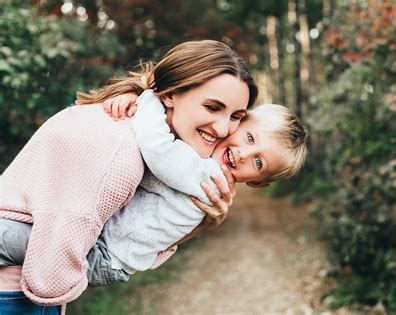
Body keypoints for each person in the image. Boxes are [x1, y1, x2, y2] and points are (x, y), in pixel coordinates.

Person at [0, 40, 258, 313]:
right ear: (170, 95)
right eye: (212, 107)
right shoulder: (122, 153)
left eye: (236, 116)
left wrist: (199, 226)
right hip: (16, 294)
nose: (222, 129)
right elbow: (56, 259)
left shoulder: (134, 125)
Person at [0, 89, 308, 286]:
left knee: (13, 238)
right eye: (250, 138)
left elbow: (156, 148)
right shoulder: (200, 166)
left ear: (257, 182)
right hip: (111, 255)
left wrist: (148, 99)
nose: (243, 153)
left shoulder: (206, 176)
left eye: (258, 162)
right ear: (239, 122)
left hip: (103, 255)